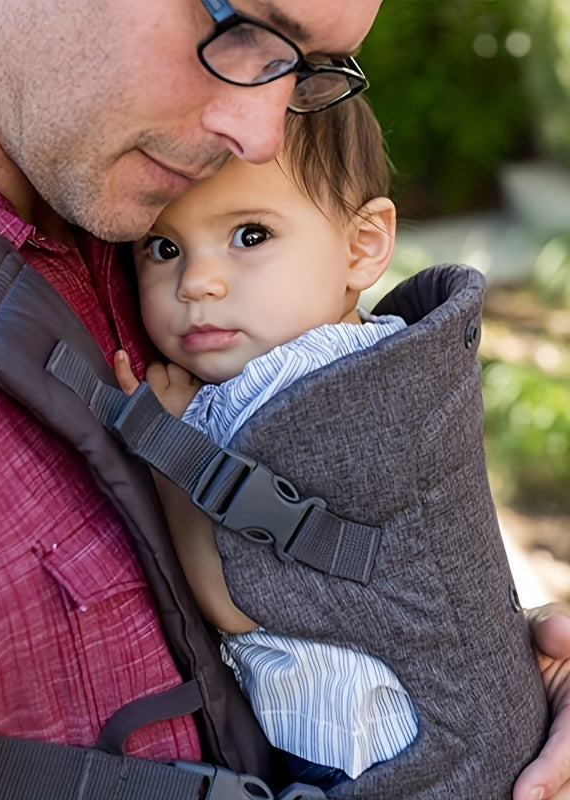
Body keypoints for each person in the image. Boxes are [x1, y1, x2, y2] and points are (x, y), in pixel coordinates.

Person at [0, 1, 567, 799]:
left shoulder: (120, 179)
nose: (259, 134)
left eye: (306, 66)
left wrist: (515, 692)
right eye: (242, 25)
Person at [110, 95, 538, 794]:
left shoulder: (307, 387)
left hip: (389, 755)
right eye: (163, 248)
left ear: (362, 246)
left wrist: (166, 452)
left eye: (250, 235)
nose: (197, 283)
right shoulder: (364, 361)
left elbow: (235, 600)